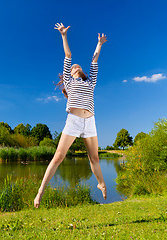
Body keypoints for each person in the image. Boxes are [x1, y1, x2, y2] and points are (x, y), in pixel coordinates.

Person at [34, 23, 108, 208]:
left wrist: (99, 44)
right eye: (74, 67)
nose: (76, 67)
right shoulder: (68, 81)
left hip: (90, 121)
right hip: (73, 121)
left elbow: (94, 61)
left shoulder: (91, 82)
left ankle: (101, 183)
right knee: (58, 157)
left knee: (94, 158)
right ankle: (40, 191)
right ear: (70, 73)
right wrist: (64, 35)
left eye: (78, 67)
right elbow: (68, 56)